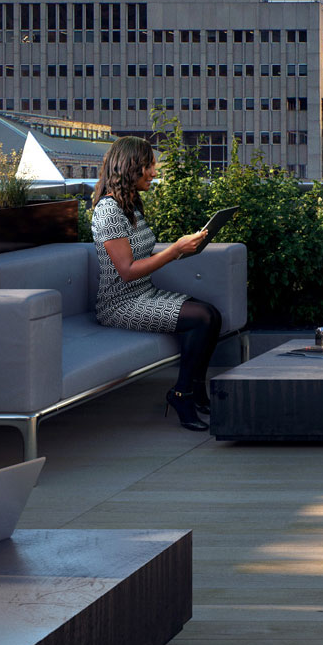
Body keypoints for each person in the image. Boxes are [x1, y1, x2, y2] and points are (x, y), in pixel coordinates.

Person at [89, 136, 220, 431]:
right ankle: (182, 394)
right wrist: (174, 250)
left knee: (210, 314)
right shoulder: (109, 211)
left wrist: (186, 247)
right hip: (119, 305)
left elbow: (141, 259)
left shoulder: (130, 206)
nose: (154, 172)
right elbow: (127, 271)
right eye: (149, 165)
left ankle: (195, 392)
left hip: (143, 295)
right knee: (201, 319)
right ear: (131, 167)